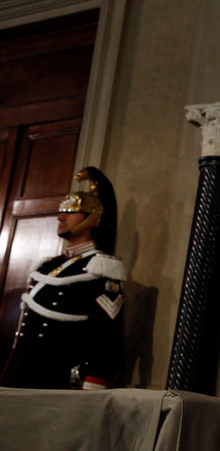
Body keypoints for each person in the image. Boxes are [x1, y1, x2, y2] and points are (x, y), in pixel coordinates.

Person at [0, 167, 125, 390]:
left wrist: (92, 386)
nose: (60, 216)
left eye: (70, 211)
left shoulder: (100, 267)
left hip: (56, 379)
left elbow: (106, 336)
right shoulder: (49, 266)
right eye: (61, 210)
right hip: (21, 373)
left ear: (93, 219)